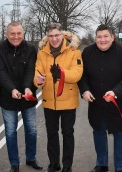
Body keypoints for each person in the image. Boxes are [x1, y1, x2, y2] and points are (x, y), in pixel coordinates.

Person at [78, 25, 122, 172]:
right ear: (95, 38)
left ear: (112, 37)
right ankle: (102, 164)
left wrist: (116, 92)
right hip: (96, 103)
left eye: (106, 36)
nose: (102, 40)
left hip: (118, 103)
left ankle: (120, 167)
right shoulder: (87, 52)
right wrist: (85, 90)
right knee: (98, 132)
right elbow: (82, 75)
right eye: (99, 37)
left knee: (120, 134)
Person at [0, 21, 42, 172]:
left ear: (23, 33)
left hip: (27, 95)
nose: (16, 37)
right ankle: (14, 163)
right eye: (12, 34)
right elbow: (0, 72)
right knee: (10, 131)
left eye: (19, 33)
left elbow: (31, 70)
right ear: (7, 34)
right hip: (8, 97)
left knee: (31, 129)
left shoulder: (31, 49)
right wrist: (12, 89)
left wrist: (27, 87)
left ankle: (31, 157)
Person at [34, 23, 83, 172]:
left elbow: (77, 74)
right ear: (47, 37)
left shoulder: (74, 51)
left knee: (68, 133)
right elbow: (37, 73)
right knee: (51, 133)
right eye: (51, 36)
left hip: (68, 101)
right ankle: (54, 164)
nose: (54, 39)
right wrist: (38, 80)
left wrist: (61, 74)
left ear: (63, 35)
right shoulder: (42, 52)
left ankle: (67, 166)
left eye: (57, 35)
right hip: (50, 101)